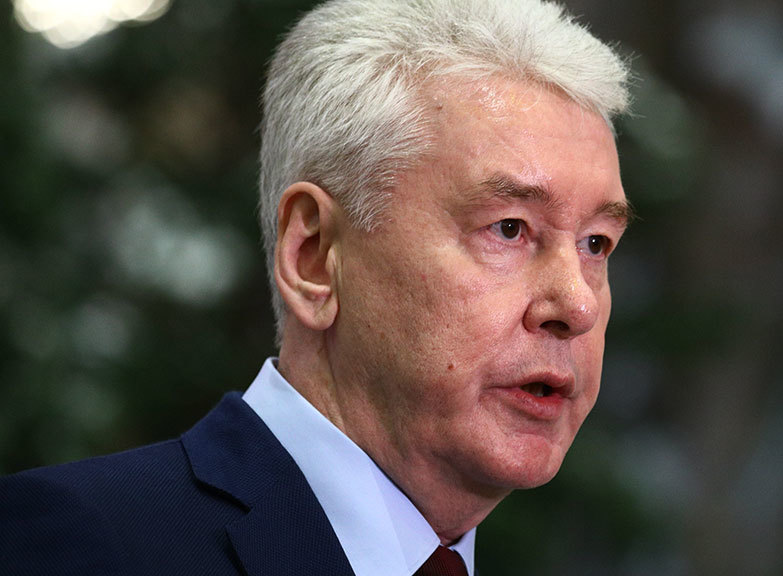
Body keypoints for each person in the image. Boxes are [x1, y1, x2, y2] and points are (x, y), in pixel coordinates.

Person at [0, 0, 632, 574]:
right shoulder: (82, 544)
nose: (577, 304)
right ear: (314, 257)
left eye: (596, 243)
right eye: (510, 229)